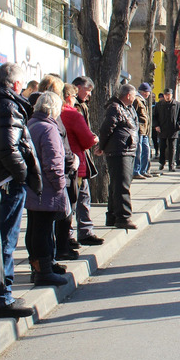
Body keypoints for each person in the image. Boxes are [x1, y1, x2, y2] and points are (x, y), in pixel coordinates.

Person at [0, 62, 42, 318]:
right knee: (6, 241)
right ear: (16, 85)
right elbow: (8, 147)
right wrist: (22, 175)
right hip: (7, 185)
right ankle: (4, 298)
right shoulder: (8, 104)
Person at [24, 92, 70, 287]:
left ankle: (40, 267)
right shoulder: (48, 129)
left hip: (33, 185)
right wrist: (60, 184)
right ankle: (43, 270)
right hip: (46, 187)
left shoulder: (32, 124)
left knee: (35, 227)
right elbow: (53, 162)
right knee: (42, 230)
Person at [61, 83, 104, 246]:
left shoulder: (55, 114)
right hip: (76, 162)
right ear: (69, 97)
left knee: (68, 201)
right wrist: (94, 139)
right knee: (81, 198)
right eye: (73, 97)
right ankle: (83, 232)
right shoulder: (72, 114)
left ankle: (67, 234)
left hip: (61, 163)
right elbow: (86, 139)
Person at [96, 84, 139, 229]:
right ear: (128, 95)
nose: (134, 98)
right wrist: (101, 146)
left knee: (117, 184)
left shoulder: (128, 108)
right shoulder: (115, 107)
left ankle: (113, 216)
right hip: (120, 151)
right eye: (133, 95)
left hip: (127, 150)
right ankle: (123, 217)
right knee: (121, 185)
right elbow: (106, 128)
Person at [153, 88, 180, 171]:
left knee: (172, 148)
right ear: (164, 95)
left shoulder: (177, 104)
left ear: (172, 95)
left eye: (169, 95)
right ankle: (162, 163)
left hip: (173, 130)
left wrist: (178, 126)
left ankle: (171, 165)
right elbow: (154, 117)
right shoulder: (159, 105)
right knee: (162, 147)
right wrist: (156, 126)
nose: (167, 97)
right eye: (166, 95)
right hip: (162, 129)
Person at [132, 83, 154, 179]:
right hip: (139, 130)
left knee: (146, 150)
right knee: (139, 151)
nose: (148, 94)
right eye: (147, 92)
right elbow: (134, 115)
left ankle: (143, 170)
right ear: (144, 92)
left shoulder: (142, 100)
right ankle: (136, 171)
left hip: (144, 130)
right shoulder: (137, 100)